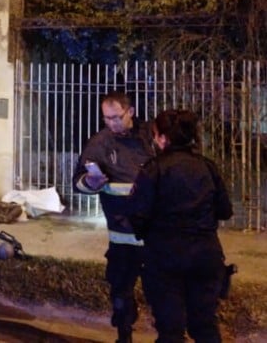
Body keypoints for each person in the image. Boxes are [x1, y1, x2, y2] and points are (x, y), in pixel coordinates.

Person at [130, 109, 233, 342]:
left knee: (170, 330)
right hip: (205, 257)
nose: (155, 139)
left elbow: (137, 215)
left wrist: (149, 235)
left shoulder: (153, 169)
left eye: (156, 134)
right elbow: (225, 211)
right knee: (205, 327)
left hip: (165, 259)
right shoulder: (207, 167)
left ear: (164, 138)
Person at [73, 90, 155, 343]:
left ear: (130, 112)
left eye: (116, 117)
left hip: (154, 235)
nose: (112, 123)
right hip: (121, 235)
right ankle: (124, 335)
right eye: (106, 118)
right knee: (121, 290)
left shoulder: (150, 137)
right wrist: (91, 181)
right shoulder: (100, 143)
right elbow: (78, 183)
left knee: (163, 292)